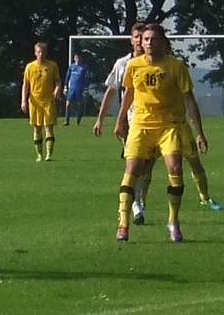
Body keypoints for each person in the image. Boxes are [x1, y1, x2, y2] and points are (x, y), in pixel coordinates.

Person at [113, 24, 209, 243]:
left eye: (153, 39)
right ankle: (123, 223)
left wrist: (199, 132)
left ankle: (173, 221)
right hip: (141, 125)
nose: (148, 43)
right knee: (132, 169)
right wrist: (120, 121)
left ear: (163, 42)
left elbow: (189, 99)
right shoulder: (133, 65)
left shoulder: (176, 67)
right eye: (145, 39)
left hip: (169, 126)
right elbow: (129, 94)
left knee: (175, 168)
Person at [94, 22, 147, 222]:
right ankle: (134, 204)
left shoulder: (158, 63)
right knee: (134, 162)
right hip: (132, 120)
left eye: (143, 37)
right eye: (137, 37)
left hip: (155, 121)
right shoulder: (123, 64)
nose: (140, 41)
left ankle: (138, 198)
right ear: (131, 40)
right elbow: (111, 91)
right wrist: (101, 119)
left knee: (147, 166)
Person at [21, 43, 62, 161]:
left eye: (43, 52)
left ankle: (49, 154)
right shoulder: (30, 67)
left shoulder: (52, 65)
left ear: (46, 52)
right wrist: (23, 100)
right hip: (35, 101)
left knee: (48, 127)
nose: (41, 54)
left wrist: (57, 89)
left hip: (48, 100)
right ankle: (39, 155)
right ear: (35, 53)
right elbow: (26, 84)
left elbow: (58, 81)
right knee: (37, 127)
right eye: (39, 52)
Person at [63, 53, 90, 126]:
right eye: (76, 57)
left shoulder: (84, 67)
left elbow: (87, 78)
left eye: (79, 58)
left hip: (80, 89)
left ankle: (78, 121)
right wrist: (65, 86)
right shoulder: (71, 67)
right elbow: (67, 76)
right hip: (72, 89)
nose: (78, 59)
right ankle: (67, 121)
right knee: (68, 104)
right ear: (74, 58)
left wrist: (86, 88)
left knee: (80, 105)